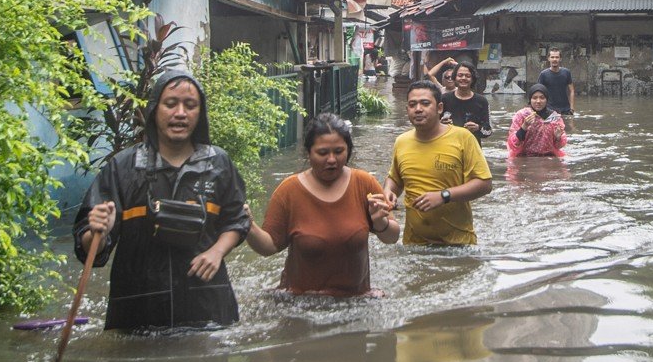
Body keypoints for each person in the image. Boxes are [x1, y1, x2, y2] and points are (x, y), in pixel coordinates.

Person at [73, 69, 250, 332]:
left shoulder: (218, 163)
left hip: (207, 308)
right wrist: (99, 230)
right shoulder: (123, 167)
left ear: (200, 114)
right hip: (137, 314)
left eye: (190, 106)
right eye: (170, 104)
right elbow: (89, 249)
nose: (180, 113)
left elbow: (237, 220)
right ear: (155, 110)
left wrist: (217, 251)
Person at [245, 114, 399, 296]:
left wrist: (380, 222)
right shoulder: (289, 190)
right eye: (323, 153)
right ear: (308, 153)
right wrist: (247, 225)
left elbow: (392, 238)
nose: (332, 159)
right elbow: (269, 246)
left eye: (339, 151)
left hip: (355, 301)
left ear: (348, 150)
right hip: (300, 303)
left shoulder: (364, 183)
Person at [383, 80, 493, 245]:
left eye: (425, 103)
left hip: (457, 245)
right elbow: (395, 179)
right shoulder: (402, 141)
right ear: (407, 110)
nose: (418, 109)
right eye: (412, 105)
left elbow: (484, 183)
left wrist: (444, 196)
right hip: (414, 245)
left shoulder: (463, 137)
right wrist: (388, 191)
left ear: (440, 108)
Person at [507, 83, 567, 158]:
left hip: (548, 156)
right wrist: (524, 127)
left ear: (546, 99)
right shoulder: (522, 115)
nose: (538, 101)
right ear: (530, 100)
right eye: (534, 98)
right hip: (524, 156)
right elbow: (513, 144)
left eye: (542, 98)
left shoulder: (554, 117)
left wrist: (558, 137)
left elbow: (559, 146)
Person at [441, 61, 492, 141]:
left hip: (472, 148)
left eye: (468, 76)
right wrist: (441, 124)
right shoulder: (444, 99)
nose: (464, 78)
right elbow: (432, 127)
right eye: (460, 75)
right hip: (449, 147)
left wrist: (477, 128)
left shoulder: (482, 101)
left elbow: (488, 131)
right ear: (455, 77)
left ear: (472, 79)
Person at [537, 49, 576, 129]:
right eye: (552, 57)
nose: (554, 59)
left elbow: (572, 90)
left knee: (570, 131)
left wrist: (572, 108)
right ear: (549, 58)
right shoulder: (543, 74)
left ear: (560, 59)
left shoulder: (566, 72)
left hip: (566, 110)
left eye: (557, 57)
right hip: (550, 110)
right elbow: (538, 92)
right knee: (550, 132)